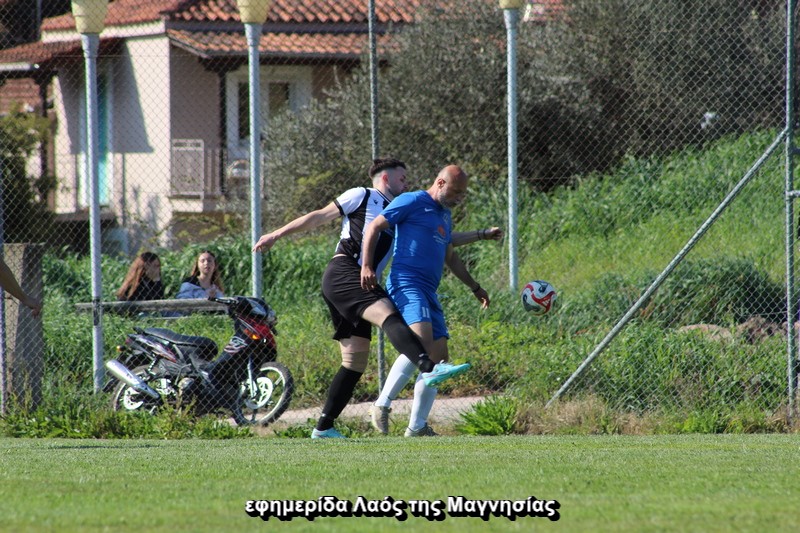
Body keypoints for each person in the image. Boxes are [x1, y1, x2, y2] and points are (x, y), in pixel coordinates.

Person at [253, 157, 491, 439]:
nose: (406, 183)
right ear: (386, 178)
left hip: (362, 281)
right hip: (346, 272)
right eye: (402, 178)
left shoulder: (402, 209)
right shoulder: (362, 196)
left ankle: (323, 428)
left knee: (354, 363)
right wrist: (277, 234)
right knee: (389, 315)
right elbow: (319, 216)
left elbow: (440, 238)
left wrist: (480, 237)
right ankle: (427, 369)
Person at [362, 164, 494, 437]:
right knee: (420, 344)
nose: (459, 198)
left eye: (463, 194)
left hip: (429, 290)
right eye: (456, 192)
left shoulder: (444, 214)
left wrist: (475, 287)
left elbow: (450, 256)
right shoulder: (411, 200)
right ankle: (381, 404)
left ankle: (417, 426)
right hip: (407, 282)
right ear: (440, 183)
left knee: (438, 357)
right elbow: (375, 226)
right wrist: (366, 266)